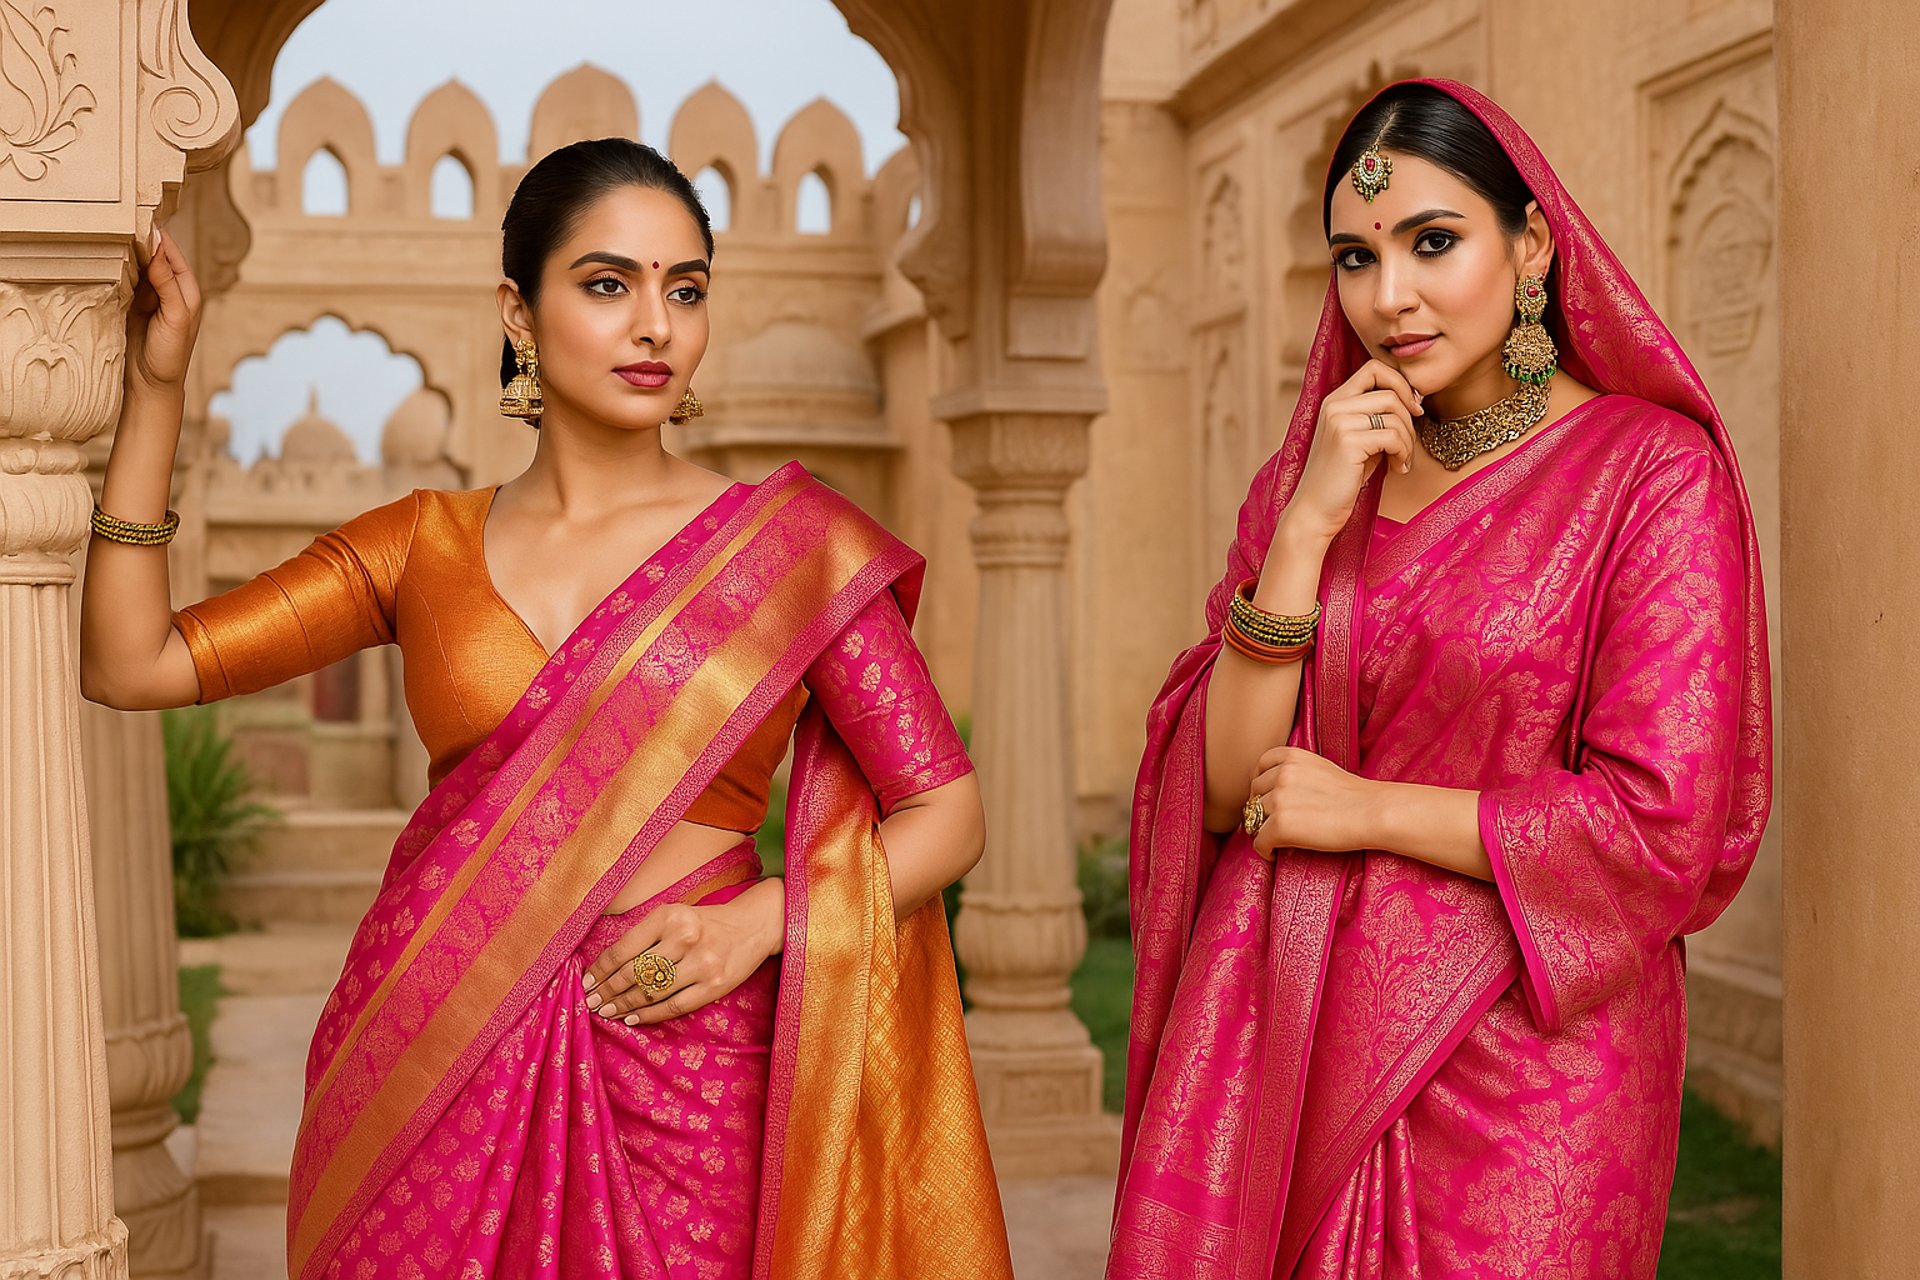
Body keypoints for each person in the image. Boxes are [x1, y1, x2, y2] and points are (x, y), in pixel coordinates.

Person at [83, 138, 1012, 1280]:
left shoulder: (794, 551)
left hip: (693, 1058)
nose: (655, 325)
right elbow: (135, 662)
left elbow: (947, 809)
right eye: (609, 284)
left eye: (687, 289)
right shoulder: (420, 546)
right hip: (434, 1048)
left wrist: (761, 920)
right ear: (518, 311)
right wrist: (158, 391)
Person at [1108, 80, 1771, 1279]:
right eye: (1356, 257)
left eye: (1433, 242)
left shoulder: (1650, 476)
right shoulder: (1314, 478)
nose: (1390, 295)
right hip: (1301, 1028)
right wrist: (1306, 530)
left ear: (1531, 246)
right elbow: (1217, 793)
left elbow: (1660, 824)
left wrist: (1365, 809)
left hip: (1536, 1065)